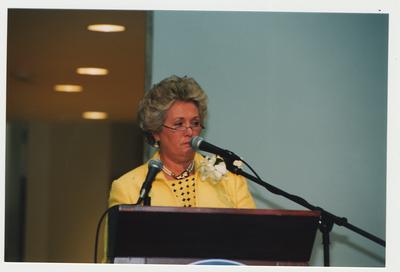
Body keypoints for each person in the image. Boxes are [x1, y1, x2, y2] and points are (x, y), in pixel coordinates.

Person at [108, 75, 255, 209]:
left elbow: (253, 234)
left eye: (195, 123)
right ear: (156, 131)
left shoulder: (230, 179)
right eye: (179, 124)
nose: (189, 132)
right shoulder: (128, 188)